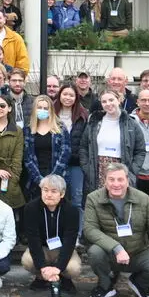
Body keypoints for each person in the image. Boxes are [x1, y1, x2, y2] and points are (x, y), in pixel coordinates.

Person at [84, 163, 149, 297]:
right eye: (111, 179)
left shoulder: (144, 199)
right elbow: (90, 230)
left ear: (128, 180)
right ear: (105, 180)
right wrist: (116, 248)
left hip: (138, 252)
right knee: (95, 252)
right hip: (111, 253)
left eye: (120, 179)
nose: (116, 184)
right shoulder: (93, 198)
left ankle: (139, 283)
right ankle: (105, 285)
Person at [21, 175, 81, 297]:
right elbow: (33, 240)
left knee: (74, 268)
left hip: (62, 249)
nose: (48, 194)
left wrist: (58, 268)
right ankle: (41, 277)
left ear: (62, 194)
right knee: (27, 260)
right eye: (45, 190)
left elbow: (70, 241)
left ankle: (64, 278)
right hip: (42, 247)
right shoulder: (31, 208)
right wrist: (42, 267)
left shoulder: (72, 210)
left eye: (54, 191)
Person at [81, 90, 147, 192]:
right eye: (104, 102)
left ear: (119, 100)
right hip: (97, 169)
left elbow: (140, 151)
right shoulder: (94, 122)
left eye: (111, 100)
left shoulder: (131, 123)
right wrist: (87, 168)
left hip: (121, 169)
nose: (108, 104)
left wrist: (131, 171)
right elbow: (84, 147)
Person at [24, 95, 71, 200]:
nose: (42, 110)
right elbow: (27, 157)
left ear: (51, 110)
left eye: (46, 108)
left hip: (57, 174)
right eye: (39, 107)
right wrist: (39, 179)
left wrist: (52, 178)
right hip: (36, 176)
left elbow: (65, 153)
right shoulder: (28, 129)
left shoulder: (60, 128)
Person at [56, 85, 89, 214]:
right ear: (60, 95)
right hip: (57, 163)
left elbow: (86, 141)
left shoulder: (83, 115)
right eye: (65, 94)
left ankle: (77, 232)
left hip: (76, 164)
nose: (68, 98)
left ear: (76, 98)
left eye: (71, 95)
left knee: (77, 199)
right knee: (57, 197)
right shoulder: (52, 113)